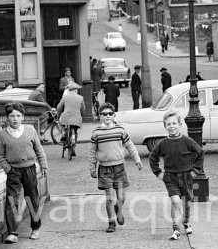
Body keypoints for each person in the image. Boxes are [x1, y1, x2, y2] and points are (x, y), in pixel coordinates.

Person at [0, 102, 48, 243]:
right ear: (7, 118)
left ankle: (35, 228)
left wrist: (43, 165)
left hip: (30, 169)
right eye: (12, 116)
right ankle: (12, 232)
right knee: (12, 200)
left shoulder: (30, 130)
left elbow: (38, 149)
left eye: (18, 115)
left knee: (32, 199)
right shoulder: (2, 135)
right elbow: (0, 156)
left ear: (23, 117)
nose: (15, 119)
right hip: (13, 171)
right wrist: (8, 169)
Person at [149, 111, 204, 240]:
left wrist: (195, 171)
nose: (172, 126)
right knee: (175, 202)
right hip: (170, 178)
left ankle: (186, 222)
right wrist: (158, 173)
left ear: (180, 124)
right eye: (168, 124)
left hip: (187, 177)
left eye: (174, 123)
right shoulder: (162, 143)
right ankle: (176, 229)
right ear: (165, 126)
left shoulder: (187, 141)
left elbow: (200, 153)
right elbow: (153, 157)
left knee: (186, 203)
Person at [89, 103, 143, 233]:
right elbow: (92, 151)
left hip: (119, 167)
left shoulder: (120, 130)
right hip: (104, 169)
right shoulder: (96, 133)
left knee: (121, 197)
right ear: (100, 116)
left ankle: (118, 209)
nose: (107, 116)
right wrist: (92, 167)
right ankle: (111, 222)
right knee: (109, 197)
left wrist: (137, 159)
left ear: (114, 116)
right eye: (104, 114)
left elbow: (130, 146)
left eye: (110, 114)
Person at [57, 81, 85, 155]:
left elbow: (59, 107)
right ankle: (74, 145)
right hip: (76, 118)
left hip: (66, 117)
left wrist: (58, 115)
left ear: (69, 89)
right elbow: (83, 110)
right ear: (76, 90)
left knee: (60, 122)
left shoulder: (65, 97)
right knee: (75, 132)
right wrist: (81, 115)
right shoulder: (80, 98)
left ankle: (63, 133)